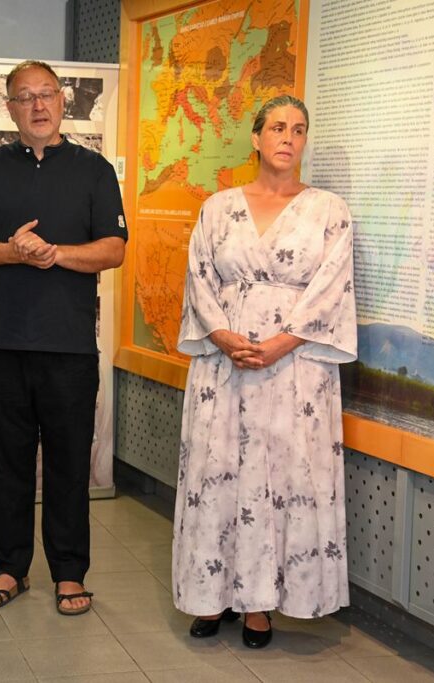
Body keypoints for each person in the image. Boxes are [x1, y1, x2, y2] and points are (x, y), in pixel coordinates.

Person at [0, 59, 126, 616]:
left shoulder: (94, 170)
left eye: (47, 94)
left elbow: (114, 249)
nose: (38, 105)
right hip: (0, 341)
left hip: (69, 344)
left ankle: (69, 573)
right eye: (26, 97)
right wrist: (11, 251)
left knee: (69, 463)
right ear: (10, 108)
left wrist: (54, 254)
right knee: (7, 461)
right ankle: (10, 567)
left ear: (63, 101)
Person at [172, 95, 357, 648]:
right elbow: (199, 277)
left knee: (282, 476)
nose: (288, 138)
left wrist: (281, 342)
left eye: (298, 129)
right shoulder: (217, 207)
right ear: (256, 138)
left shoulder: (329, 211)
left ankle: (259, 605)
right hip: (223, 364)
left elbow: (332, 289)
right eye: (278, 127)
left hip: (295, 368)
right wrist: (221, 334)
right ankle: (211, 594)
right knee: (216, 471)